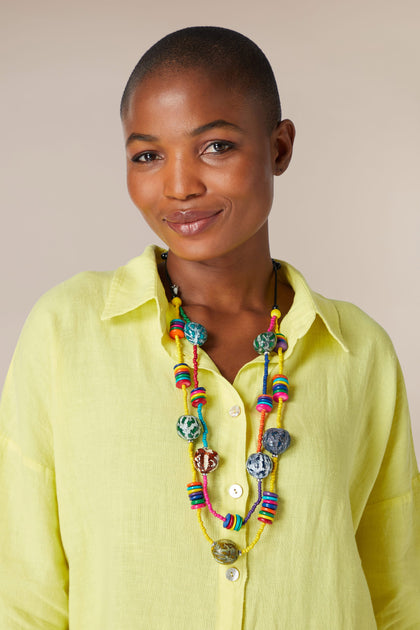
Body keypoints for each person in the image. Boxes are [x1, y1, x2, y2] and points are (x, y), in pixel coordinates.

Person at [0, 26, 419, 630]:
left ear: (279, 148)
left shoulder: (360, 352)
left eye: (215, 146)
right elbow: (22, 592)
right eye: (147, 155)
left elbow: (397, 592)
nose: (178, 185)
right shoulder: (67, 331)